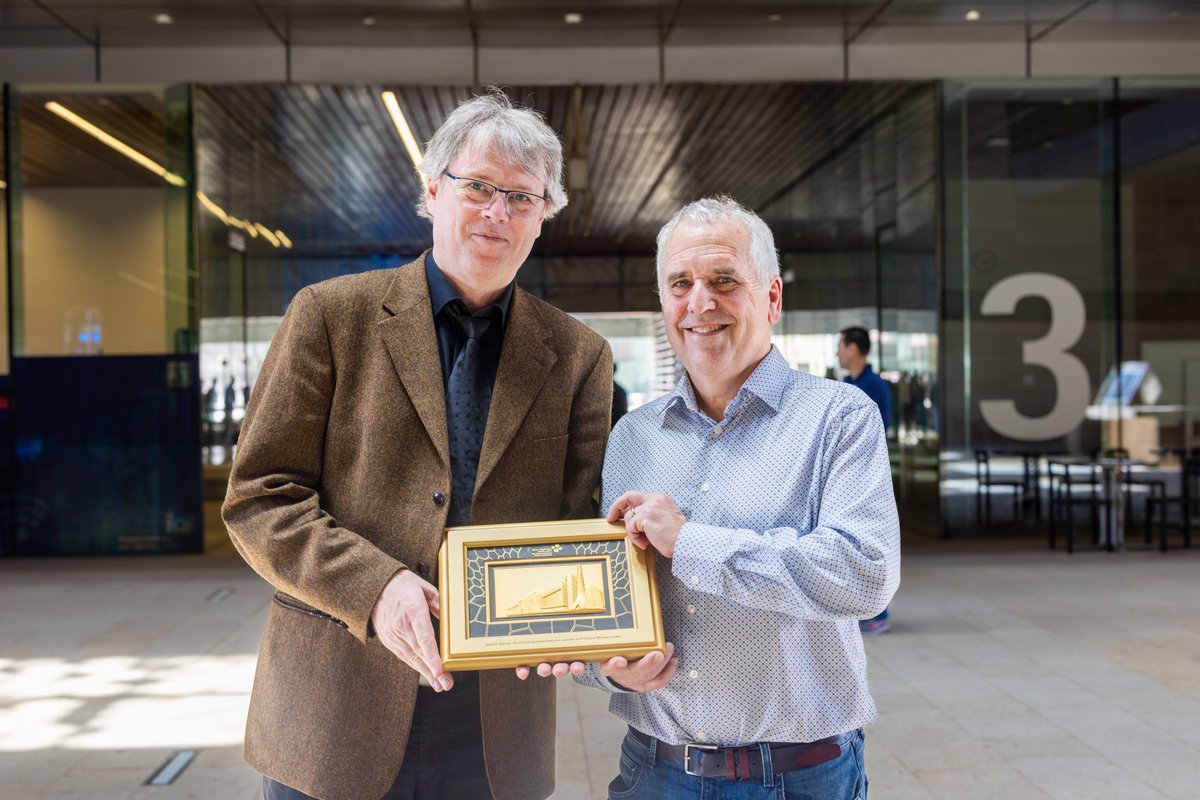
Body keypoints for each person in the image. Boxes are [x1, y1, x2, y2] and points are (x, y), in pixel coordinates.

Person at [222, 90, 613, 800]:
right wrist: (375, 588)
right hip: (338, 702)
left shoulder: (580, 355)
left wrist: (575, 620)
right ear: (433, 192)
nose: (498, 212)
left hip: (497, 722)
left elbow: (575, 523)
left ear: (543, 220)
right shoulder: (330, 317)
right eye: (480, 188)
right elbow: (259, 499)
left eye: (522, 198)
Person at [533, 197, 899, 799]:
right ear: (664, 302)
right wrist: (612, 671)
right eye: (681, 283)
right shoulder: (632, 436)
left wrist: (691, 542)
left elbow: (864, 574)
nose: (700, 302)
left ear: (772, 298)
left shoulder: (839, 418)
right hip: (654, 771)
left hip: (799, 778)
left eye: (724, 281)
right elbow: (608, 598)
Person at [837, 325, 894, 636]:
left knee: (869, 543)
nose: (839, 353)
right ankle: (863, 609)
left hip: (867, 477)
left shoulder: (874, 386)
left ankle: (877, 613)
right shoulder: (849, 383)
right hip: (848, 475)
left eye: (841, 346)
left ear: (854, 348)